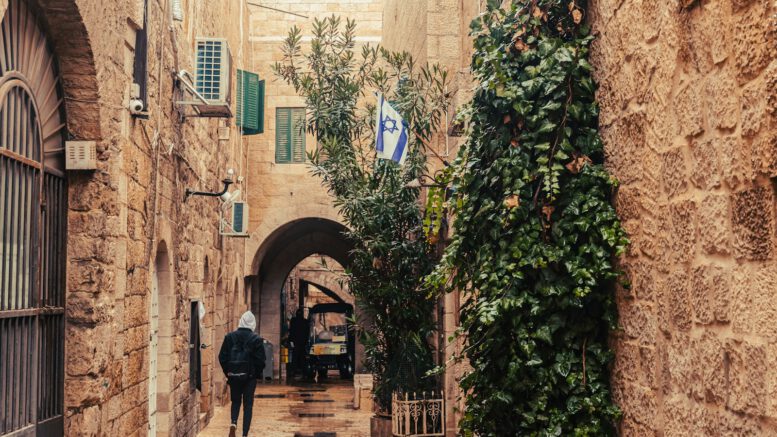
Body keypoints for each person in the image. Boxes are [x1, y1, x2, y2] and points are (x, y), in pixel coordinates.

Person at [219, 311, 265, 437]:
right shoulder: (256, 339)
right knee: (248, 405)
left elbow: (222, 357)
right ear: (253, 323)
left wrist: (228, 372)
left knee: (235, 401)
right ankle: (244, 434)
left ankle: (233, 422)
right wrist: (256, 374)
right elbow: (261, 361)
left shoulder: (229, 337)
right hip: (250, 378)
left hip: (234, 376)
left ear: (241, 321)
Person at [288, 308, 310, 377]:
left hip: (295, 342)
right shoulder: (305, 321)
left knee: (295, 357)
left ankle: (293, 371)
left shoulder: (293, 321)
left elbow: (291, 332)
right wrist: (306, 341)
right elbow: (307, 333)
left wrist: (291, 341)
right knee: (302, 358)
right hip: (302, 343)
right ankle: (305, 372)